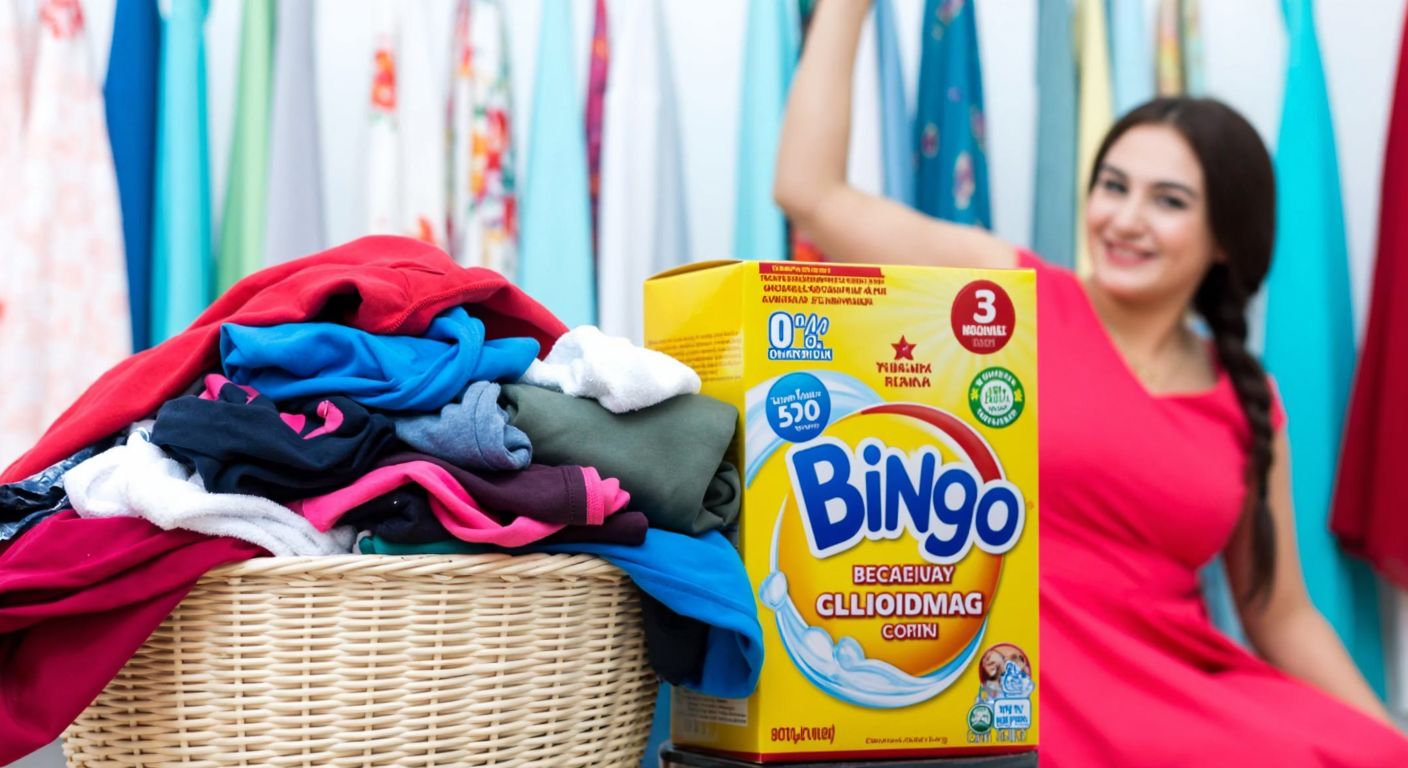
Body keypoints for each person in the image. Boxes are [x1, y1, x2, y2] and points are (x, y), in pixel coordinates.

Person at [774, 2, 1408, 765]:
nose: (1125, 219)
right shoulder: (1008, 300)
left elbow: (1280, 613)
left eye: (1168, 201)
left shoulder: (1247, 399)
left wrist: (1386, 735)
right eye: (1113, 185)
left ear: (1224, 238)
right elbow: (811, 193)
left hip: (1183, 697)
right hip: (1021, 694)